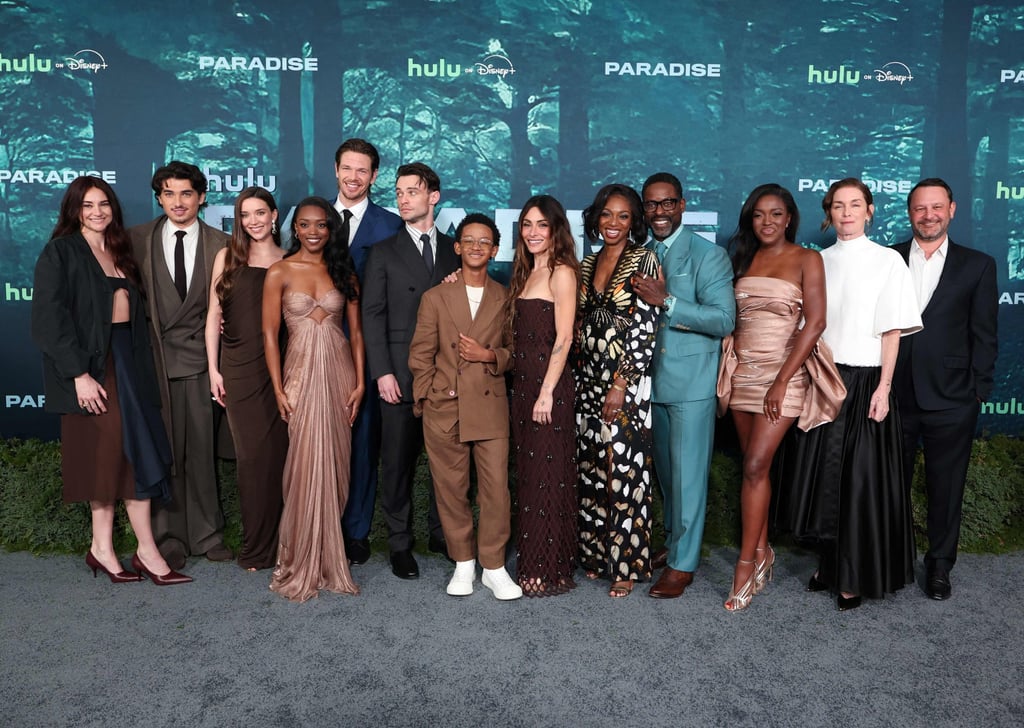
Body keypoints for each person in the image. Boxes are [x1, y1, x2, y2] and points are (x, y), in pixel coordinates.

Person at [32, 176, 189, 586]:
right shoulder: (61, 252)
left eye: (103, 204)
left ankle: (128, 549)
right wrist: (79, 375)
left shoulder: (120, 250)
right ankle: (117, 549)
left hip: (129, 362)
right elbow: (48, 322)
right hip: (91, 367)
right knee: (105, 454)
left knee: (134, 451)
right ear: (74, 210)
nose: (97, 212)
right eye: (87, 205)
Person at [777, 178, 922, 611]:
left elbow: (892, 330)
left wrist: (884, 387)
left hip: (866, 381)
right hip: (823, 378)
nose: (846, 212)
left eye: (855, 204)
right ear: (829, 212)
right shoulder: (817, 261)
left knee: (858, 484)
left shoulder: (888, 261)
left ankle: (851, 577)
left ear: (869, 210)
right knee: (824, 477)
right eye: (838, 205)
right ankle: (828, 565)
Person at [718, 184, 827, 611]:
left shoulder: (807, 259)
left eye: (776, 213)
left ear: (789, 218)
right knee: (753, 468)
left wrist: (782, 380)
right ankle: (763, 552)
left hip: (784, 373)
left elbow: (815, 323)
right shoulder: (743, 258)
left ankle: (745, 566)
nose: (767, 221)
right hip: (742, 373)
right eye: (759, 214)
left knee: (755, 465)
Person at [892, 178, 998, 601]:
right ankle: (894, 560)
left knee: (947, 487)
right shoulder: (889, 259)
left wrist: (978, 391)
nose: (929, 215)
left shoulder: (978, 265)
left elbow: (985, 333)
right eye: (920, 208)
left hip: (953, 397)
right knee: (890, 484)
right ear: (910, 212)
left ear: (951, 209)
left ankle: (939, 565)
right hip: (894, 394)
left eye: (936, 207)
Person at [632, 172, 735, 599]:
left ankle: (683, 564)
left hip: (691, 383)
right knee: (668, 477)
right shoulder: (640, 254)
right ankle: (675, 543)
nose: (659, 212)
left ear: (682, 205)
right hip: (649, 385)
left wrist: (667, 301)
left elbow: (724, 320)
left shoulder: (709, 255)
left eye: (668, 203)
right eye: (652, 204)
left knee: (688, 477)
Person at [409, 214, 522, 600]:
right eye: (469, 240)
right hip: (446, 406)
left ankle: (493, 566)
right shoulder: (435, 297)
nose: (476, 246)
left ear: (494, 250)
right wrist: (428, 397)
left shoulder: (505, 297)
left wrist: (489, 355)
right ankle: (463, 562)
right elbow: (421, 354)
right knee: (451, 489)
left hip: (489, 406)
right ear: (457, 247)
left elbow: (515, 352)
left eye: (484, 241)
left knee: (496, 491)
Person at [262, 197, 365, 602]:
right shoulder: (280, 271)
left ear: (331, 229)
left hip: (340, 375)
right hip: (300, 375)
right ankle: (300, 556)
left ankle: (327, 555)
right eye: (305, 224)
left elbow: (356, 333)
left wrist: (360, 382)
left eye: (321, 225)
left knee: (337, 465)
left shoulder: (344, 273)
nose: (313, 232)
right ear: (295, 229)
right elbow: (270, 334)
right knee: (303, 462)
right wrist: (277, 387)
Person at [130, 161, 231, 570]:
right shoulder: (136, 239)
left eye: (186, 193)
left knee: (201, 452)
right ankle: (167, 537)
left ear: (201, 197)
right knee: (164, 452)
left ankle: (208, 535)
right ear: (159, 198)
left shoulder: (222, 243)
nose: (178, 201)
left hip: (201, 361)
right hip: (153, 361)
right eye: (169, 193)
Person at [362, 162, 458, 580]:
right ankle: (400, 544)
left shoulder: (456, 249)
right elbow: (372, 315)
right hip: (399, 376)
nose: (402, 199)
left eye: (412, 191)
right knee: (397, 464)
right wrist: (382, 372)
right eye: (399, 192)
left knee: (446, 463)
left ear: (433, 197)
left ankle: (442, 534)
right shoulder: (383, 251)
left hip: (446, 375)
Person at [575, 184, 659, 598]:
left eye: (623, 216)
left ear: (634, 222)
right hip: (587, 379)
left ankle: (627, 565)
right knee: (592, 468)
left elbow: (645, 328)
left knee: (624, 471)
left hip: (624, 383)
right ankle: (595, 556)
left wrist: (621, 384)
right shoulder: (587, 263)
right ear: (596, 218)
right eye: (607, 214)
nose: (613, 223)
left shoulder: (645, 260)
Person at [205, 186, 287, 571]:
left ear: (274, 215)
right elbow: (212, 316)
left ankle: (285, 543)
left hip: (281, 369)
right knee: (252, 460)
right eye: (245, 214)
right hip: (237, 369)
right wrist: (213, 369)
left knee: (281, 458)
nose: (253, 221)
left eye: (260, 213)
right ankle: (257, 547)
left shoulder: (290, 260)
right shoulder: (227, 256)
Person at [331, 138, 403, 564]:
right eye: (347, 168)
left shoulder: (391, 226)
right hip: (316, 349)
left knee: (362, 443)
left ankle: (355, 531)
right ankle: (321, 526)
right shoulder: (311, 219)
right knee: (320, 443)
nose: (354, 177)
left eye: (362, 170)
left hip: (370, 352)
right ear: (335, 170)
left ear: (374, 176)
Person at [506, 195, 581, 597]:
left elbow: (564, 336)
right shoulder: (525, 272)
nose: (533, 232)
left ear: (556, 230)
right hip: (522, 386)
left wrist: (547, 392)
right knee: (530, 476)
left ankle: (546, 568)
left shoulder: (561, 272)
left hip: (548, 389)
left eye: (542, 225)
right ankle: (539, 559)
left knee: (546, 478)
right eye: (527, 224)